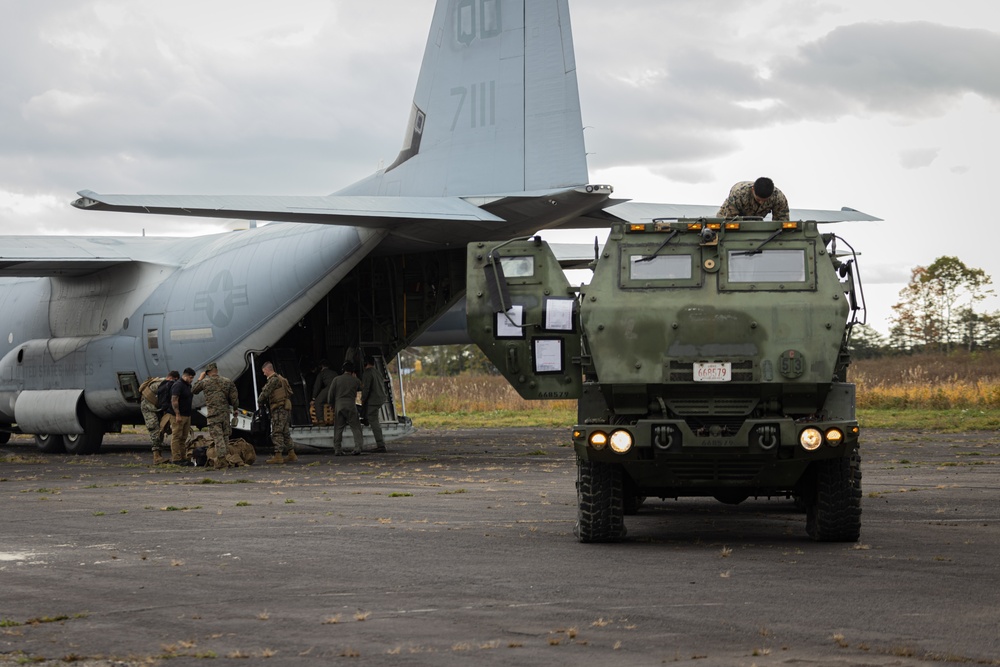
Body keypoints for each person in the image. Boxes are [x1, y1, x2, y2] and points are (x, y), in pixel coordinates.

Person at [193, 362, 240, 469]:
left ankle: (222, 461)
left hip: (213, 414)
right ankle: (228, 459)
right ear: (216, 370)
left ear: (208, 372)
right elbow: (234, 399)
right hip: (225, 414)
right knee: (225, 437)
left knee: (218, 438)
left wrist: (200, 378)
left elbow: (194, 390)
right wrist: (236, 409)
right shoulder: (227, 381)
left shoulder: (205, 382)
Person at [258, 361, 297, 464]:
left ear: (267, 370)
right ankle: (291, 454)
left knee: (277, 432)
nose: (264, 374)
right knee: (285, 432)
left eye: (264, 372)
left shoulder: (273, 380)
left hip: (279, 409)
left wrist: (259, 401)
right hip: (284, 408)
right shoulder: (281, 379)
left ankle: (278, 456)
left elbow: (265, 393)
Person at [139, 371, 177, 464]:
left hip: (155, 407)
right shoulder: (163, 384)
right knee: (154, 429)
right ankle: (157, 457)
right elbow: (165, 400)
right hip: (148, 408)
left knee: (161, 429)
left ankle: (159, 455)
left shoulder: (163, 383)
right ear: (172, 378)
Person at [329, 361, 363, 456]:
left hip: (339, 405)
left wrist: (331, 404)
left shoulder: (336, 379)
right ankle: (358, 447)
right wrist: (356, 379)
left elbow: (330, 395)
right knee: (355, 427)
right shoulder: (355, 380)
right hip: (351, 405)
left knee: (338, 428)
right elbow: (362, 388)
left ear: (343, 370)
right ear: (352, 371)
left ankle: (337, 449)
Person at [716, 177, 789, 221]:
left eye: (765, 201)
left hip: (756, 220)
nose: (761, 203)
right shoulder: (738, 193)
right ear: (753, 189)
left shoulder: (778, 198)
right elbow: (730, 219)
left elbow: (782, 221)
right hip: (727, 216)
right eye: (758, 199)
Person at [169, 368, 196, 466]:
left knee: (183, 437)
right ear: (186, 375)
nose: (192, 379)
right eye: (191, 377)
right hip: (179, 415)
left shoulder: (188, 385)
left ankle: (183, 457)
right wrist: (177, 414)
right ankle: (176, 459)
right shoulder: (178, 385)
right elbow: (174, 400)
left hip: (187, 415)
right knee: (176, 437)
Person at [361, 356, 387, 453]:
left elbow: (366, 388)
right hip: (380, 398)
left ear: (366, 363)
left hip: (373, 400)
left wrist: (363, 399)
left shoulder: (367, 373)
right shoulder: (377, 372)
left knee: (374, 421)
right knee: (372, 418)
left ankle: (380, 444)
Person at [311, 359, 336, 425]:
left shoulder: (322, 373)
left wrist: (313, 398)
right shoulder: (334, 373)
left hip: (330, 388)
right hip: (338, 389)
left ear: (321, 366)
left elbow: (317, 386)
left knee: (318, 402)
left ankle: (321, 420)